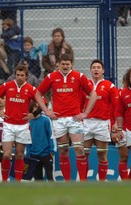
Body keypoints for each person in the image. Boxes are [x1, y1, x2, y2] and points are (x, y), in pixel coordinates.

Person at [35, 53, 97, 181]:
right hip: (58, 120)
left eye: (67, 64)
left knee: (79, 149)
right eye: (62, 64)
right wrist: (46, 110)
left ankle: (83, 181)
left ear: (71, 64)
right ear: (58, 64)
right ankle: (67, 183)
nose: (65, 66)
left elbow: (93, 94)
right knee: (63, 151)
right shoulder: (51, 77)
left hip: (75, 119)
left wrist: (85, 113)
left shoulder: (79, 76)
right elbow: (37, 93)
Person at [0, 65, 39, 182]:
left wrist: (34, 114)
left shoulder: (31, 89)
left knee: (19, 155)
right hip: (8, 125)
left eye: (22, 75)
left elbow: (43, 102)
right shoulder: (8, 85)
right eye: (18, 75)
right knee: (6, 155)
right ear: (15, 75)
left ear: (26, 77)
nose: (20, 77)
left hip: (23, 126)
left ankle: (17, 182)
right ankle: (4, 181)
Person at [82, 59, 118, 181]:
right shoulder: (85, 84)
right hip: (86, 123)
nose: (96, 69)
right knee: (84, 154)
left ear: (103, 71)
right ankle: (82, 182)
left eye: (98, 67)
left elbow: (116, 106)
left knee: (102, 154)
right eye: (94, 67)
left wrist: (116, 123)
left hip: (102, 123)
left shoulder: (110, 86)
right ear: (90, 70)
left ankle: (101, 182)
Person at [26, 101, 56, 181]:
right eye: (34, 107)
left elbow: (51, 135)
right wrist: (28, 153)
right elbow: (28, 139)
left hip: (46, 153)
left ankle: (52, 192)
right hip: (34, 154)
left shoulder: (46, 120)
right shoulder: (29, 122)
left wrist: (52, 151)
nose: (36, 109)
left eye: (37, 107)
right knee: (37, 178)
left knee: (50, 176)